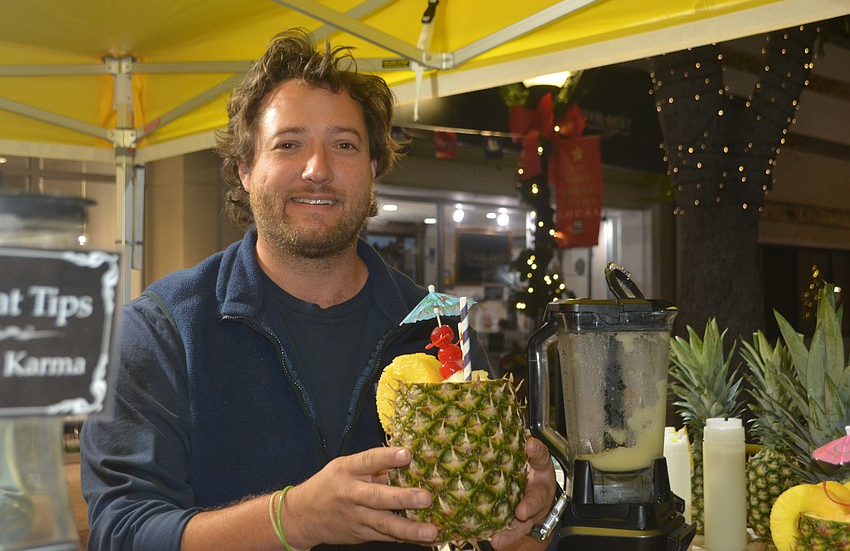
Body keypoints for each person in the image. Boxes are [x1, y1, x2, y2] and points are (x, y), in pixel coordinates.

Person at [80, 28, 557, 551]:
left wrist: (509, 522)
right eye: (289, 144)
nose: (318, 170)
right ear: (245, 169)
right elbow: (121, 532)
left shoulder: (440, 324)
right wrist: (292, 520)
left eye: (344, 145)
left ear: (373, 170)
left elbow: (486, 537)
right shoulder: (160, 329)